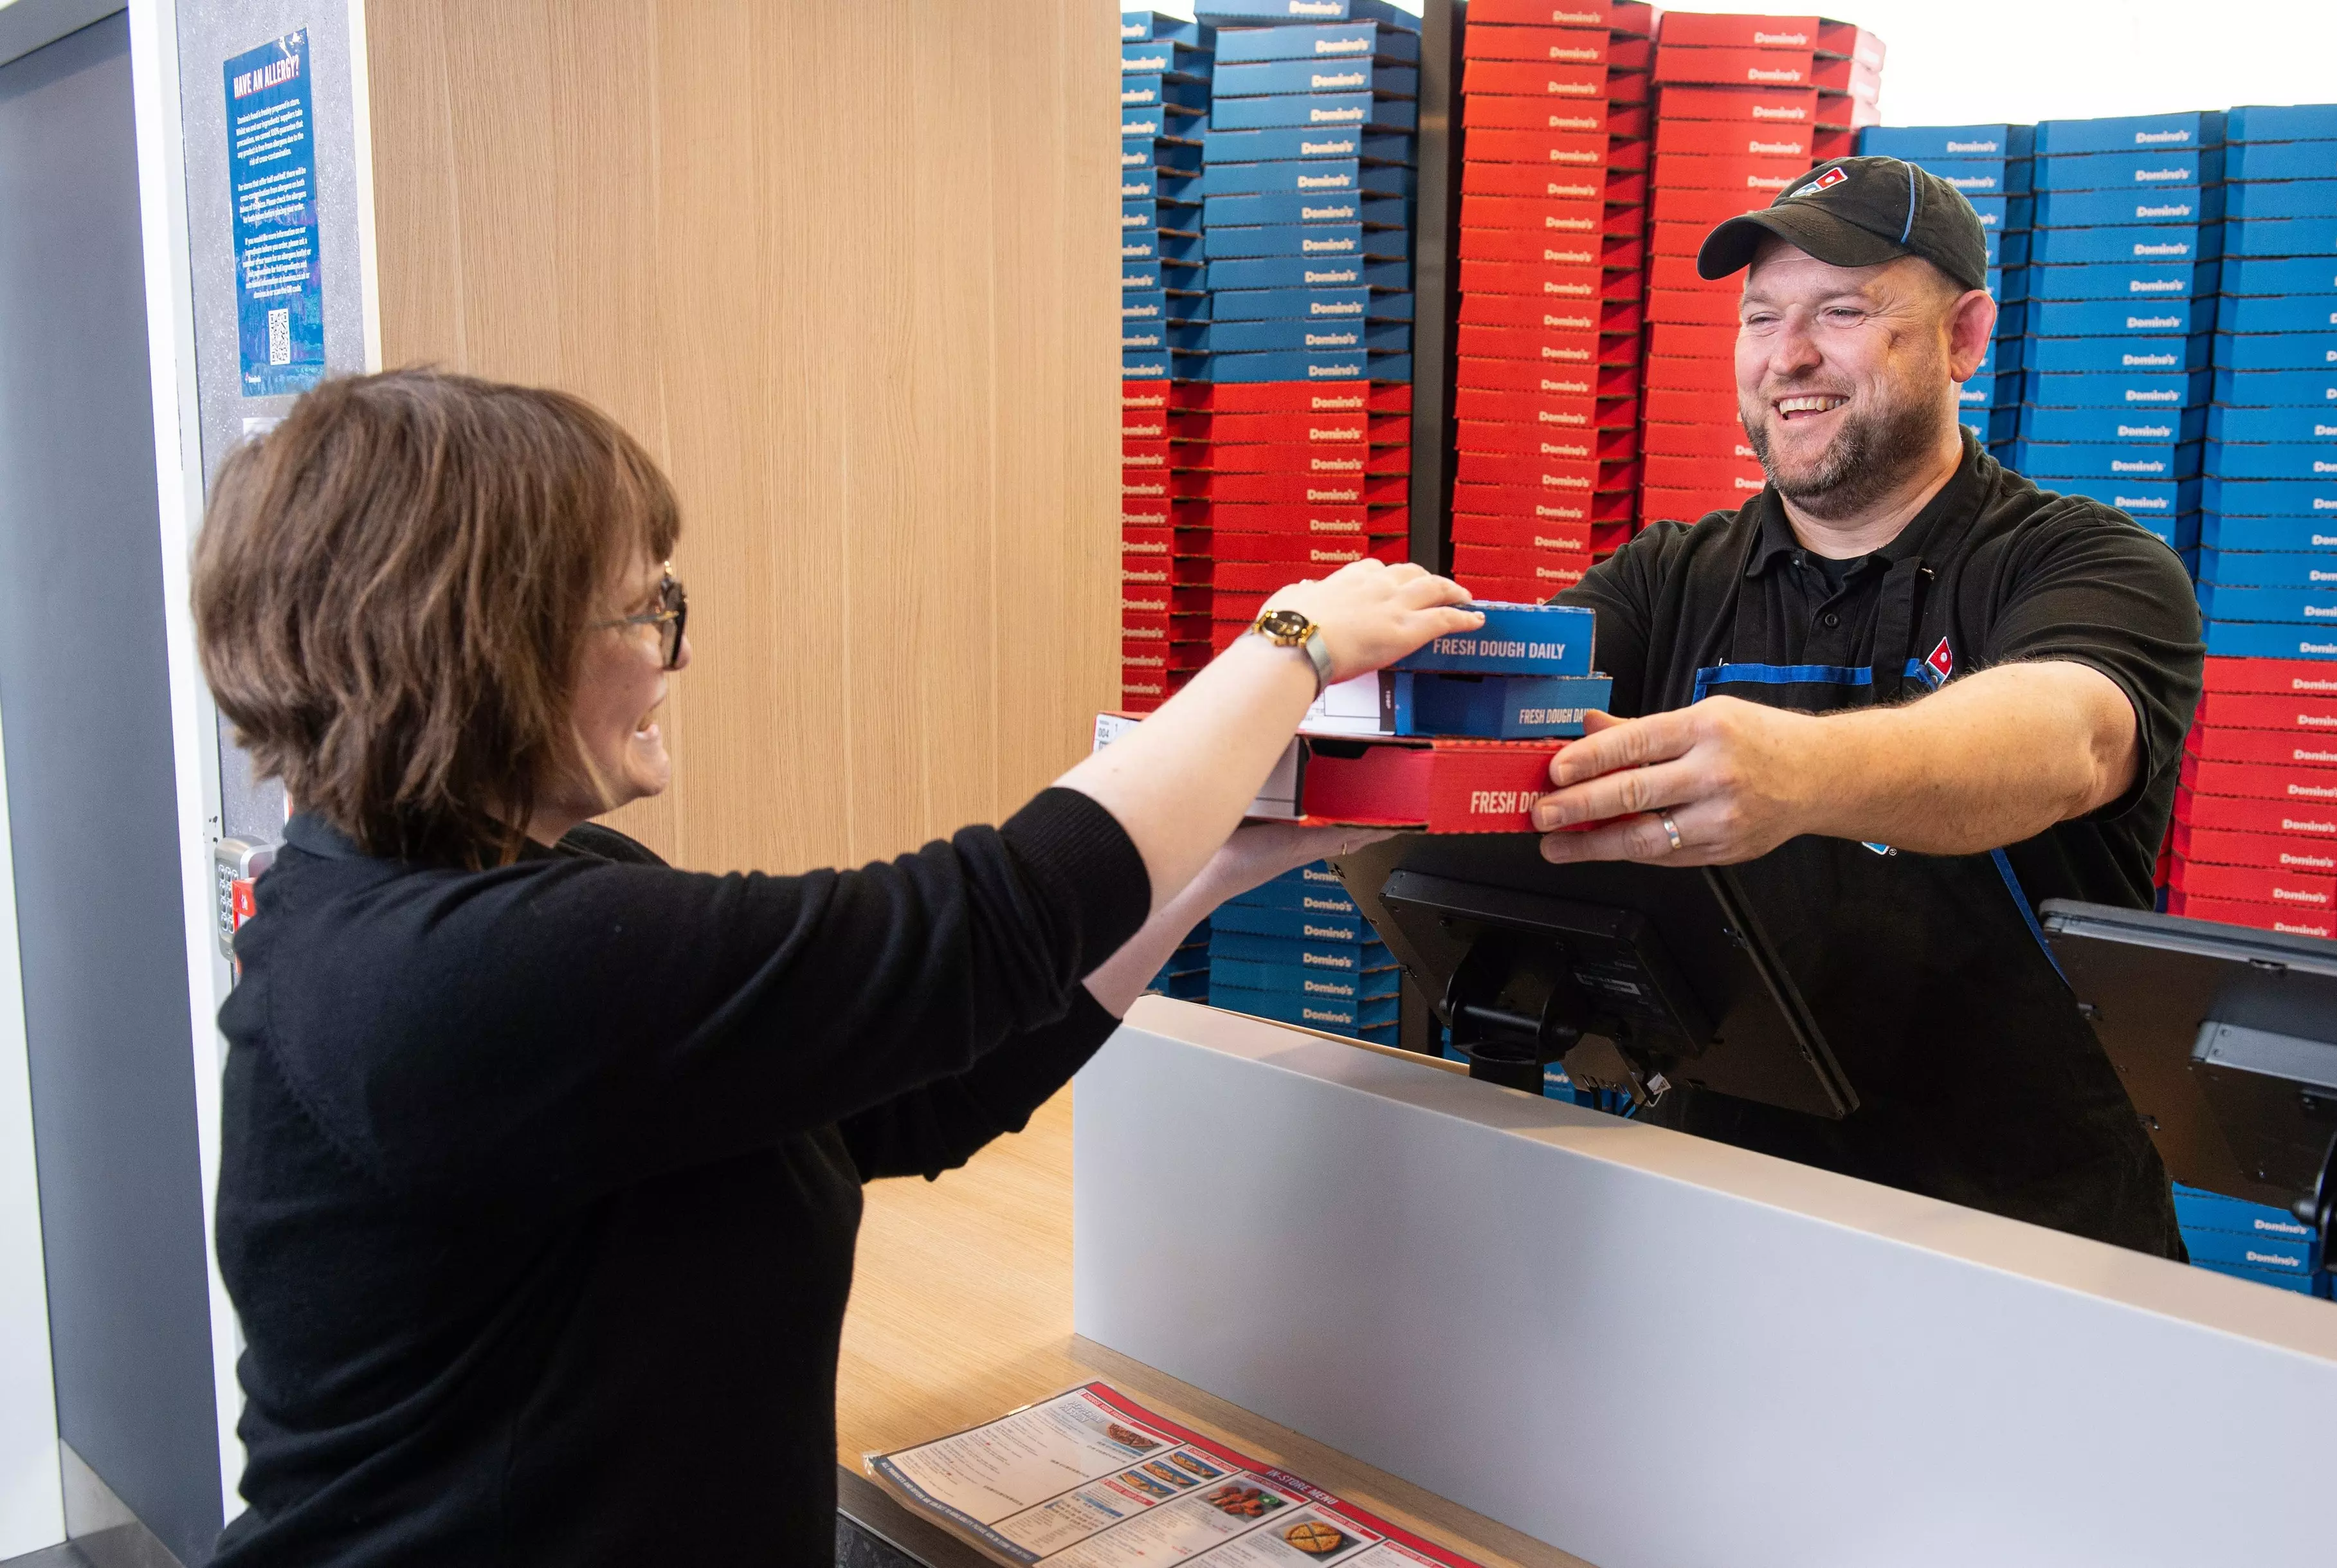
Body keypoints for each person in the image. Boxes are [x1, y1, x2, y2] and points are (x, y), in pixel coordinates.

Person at [190, 369, 1477, 1565]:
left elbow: (901, 1092)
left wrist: (1214, 869)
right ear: (487, 642)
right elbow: (981, 923)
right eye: (645, 610)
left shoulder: (514, 896)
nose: (675, 656)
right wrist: (1291, 641)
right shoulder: (458, 979)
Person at [1535, 158, 2204, 1255]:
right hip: (1718, 1220)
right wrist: (1340, 663)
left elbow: (2068, 737)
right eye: (1762, 317)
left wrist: (1796, 774)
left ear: (1966, 338)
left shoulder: (2086, 562)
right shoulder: (1670, 579)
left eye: (1841, 311)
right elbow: (1495, 716)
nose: (1789, 356)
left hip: (2029, 1243)